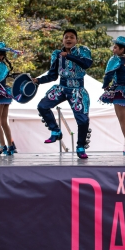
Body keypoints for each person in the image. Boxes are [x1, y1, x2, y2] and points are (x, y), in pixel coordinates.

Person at [33, 29, 93, 159]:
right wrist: (38, 80)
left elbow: (87, 64)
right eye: (66, 37)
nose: (68, 39)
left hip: (77, 89)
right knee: (42, 106)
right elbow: (52, 75)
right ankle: (56, 131)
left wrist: (69, 56)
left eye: (72, 37)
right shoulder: (57, 54)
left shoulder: (82, 51)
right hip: (62, 87)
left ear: (76, 40)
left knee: (83, 120)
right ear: (62, 40)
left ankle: (80, 146)